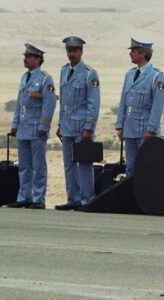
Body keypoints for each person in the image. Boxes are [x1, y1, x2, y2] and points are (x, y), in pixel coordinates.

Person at [8, 43, 56, 209]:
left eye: (29, 57)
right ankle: (24, 197)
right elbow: (19, 104)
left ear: (38, 59)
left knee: (38, 166)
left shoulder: (45, 78)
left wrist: (44, 126)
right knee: (24, 166)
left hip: (36, 129)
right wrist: (14, 125)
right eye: (25, 56)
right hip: (23, 128)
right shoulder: (24, 77)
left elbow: (49, 104)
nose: (25, 59)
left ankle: (38, 198)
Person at [55, 36, 100, 210]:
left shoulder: (89, 73)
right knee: (69, 165)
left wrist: (89, 127)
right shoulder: (64, 71)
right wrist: (60, 123)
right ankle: (72, 199)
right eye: (69, 50)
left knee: (84, 164)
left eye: (74, 50)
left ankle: (86, 199)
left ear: (81, 52)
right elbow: (63, 101)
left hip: (81, 127)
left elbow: (93, 103)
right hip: (67, 126)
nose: (71, 54)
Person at [115, 38, 164, 176]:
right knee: (130, 169)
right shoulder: (130, 74)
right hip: (129, 128)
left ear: (142, 53)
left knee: (147, 169)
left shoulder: (156, 76)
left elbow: (157, 106)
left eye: (133, 51)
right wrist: (120, 125)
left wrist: (151, 129)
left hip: (145, 130)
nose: (130, 53)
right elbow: (123, 101)